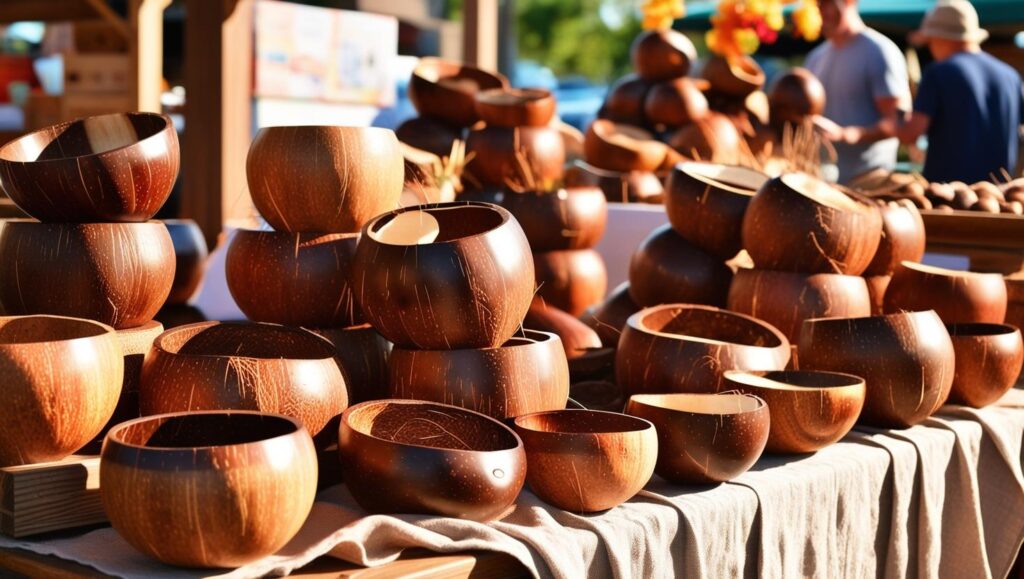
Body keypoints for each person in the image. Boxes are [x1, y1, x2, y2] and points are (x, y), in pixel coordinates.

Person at [897, 0, 1023, 184]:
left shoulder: (937, 73)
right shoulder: (1011, 76)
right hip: (999, 196)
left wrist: (895, 120)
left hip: (947, 196)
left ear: (941, 38)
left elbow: (912, 132)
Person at [805, 0, 911, 183]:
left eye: (827, 3)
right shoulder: (815, 58)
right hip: (822, 185)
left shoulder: (879, 52)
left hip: (869, 184)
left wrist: (846, 134)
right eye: (817, 4)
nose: (820, 11)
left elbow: (899, 120)